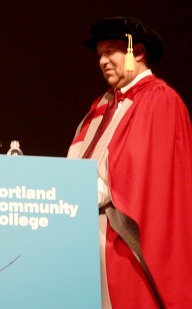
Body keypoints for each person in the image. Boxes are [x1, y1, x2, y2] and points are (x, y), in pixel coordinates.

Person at [67, 16, 192, 308]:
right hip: (86, 230)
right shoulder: (102, 105)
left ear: (137, 53)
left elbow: (136, 179)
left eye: (110, 51)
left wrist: (71, 194)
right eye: (100, 55)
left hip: (123, 240)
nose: (103, 61)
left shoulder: (158, 100)